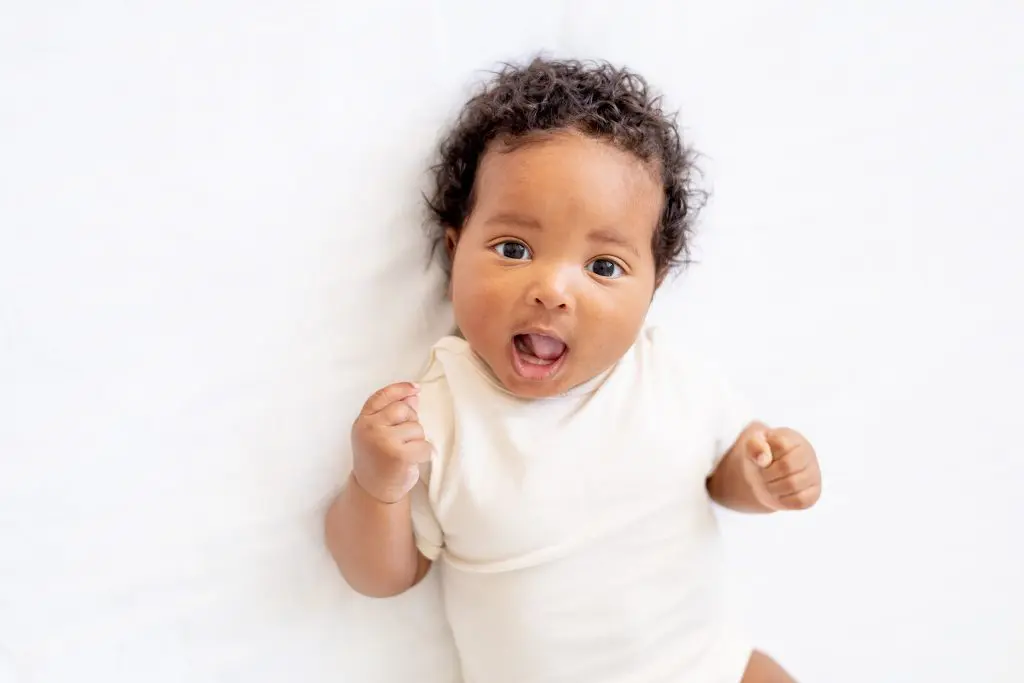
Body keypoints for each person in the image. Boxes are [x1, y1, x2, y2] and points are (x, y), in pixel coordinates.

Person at [324, 57, 822, 683]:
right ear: (455, 255)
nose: (553, 290)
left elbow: (721, 478)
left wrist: (760, 479)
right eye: (514, 250)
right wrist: (375, 485)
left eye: (604, 267)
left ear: (653, 287)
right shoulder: (436, 416)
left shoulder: (669, 377)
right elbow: (380, 577)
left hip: (704, 666)